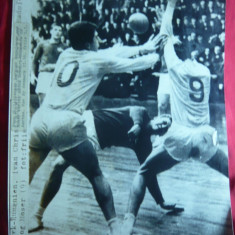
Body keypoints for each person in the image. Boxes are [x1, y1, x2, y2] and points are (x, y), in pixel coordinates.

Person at [29, 21, 163, 235]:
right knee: (96, 175)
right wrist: (155, 55)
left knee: (26, 175)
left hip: (40, 118)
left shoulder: (65, 54)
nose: (99, 41)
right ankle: (115, 227)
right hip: (65, 123)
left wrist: (142, 47)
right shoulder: (98, 59)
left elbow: (113, 51)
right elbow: (134, 64)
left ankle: (33, 217)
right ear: (89, 41)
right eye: (96, 37)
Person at [122, 1, 228, 234]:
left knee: (144, 172)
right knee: (231, 173)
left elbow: (165, 35)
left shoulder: (175, 69)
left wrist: (169, 8)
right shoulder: (205, 73)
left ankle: (128, 221)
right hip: (204, 136)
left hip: (179, 137)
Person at [29, 106, 179, 232]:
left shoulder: (144, 146)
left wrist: (161, 201)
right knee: (57, 164)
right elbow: (136, 110)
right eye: (165, 122)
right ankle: (37, 215)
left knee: (58, 166)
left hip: (92, 137)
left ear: (161, 135)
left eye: (164, 129)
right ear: (160, 116)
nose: (163, 126)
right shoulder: (143, 114)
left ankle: (37, 215)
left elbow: (148, 175)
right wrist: (138, 125)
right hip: (87, 119)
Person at [32, 24, 67, 104]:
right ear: (51, 31)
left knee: (57, 104)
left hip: (58, 76)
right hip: (44, 75)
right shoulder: (42, 44)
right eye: (55, 30)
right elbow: (34, 61)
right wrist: (32, 75)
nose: (58, 32)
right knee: (43, 103)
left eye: (60, 30)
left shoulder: (65, 47)